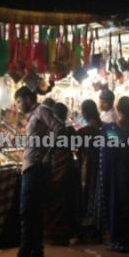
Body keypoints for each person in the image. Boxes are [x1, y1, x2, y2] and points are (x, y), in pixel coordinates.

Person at [4, 86, 64, 257]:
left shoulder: (42, 110)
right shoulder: (34, 115)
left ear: (28, 99)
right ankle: (37, 250)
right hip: (32, 166)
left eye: (20, 101)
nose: (18, 106)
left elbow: (60, 128)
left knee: (27, 212)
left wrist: (48, 153)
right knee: (35, 212)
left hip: (35, 168)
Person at [93, 97, 129, 253]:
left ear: (118, 108)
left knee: (118, 205)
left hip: (117, 172)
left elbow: (113, 148)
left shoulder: (110, 128)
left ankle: (119, 241)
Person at [43, 102, 79, 246]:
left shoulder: (51, 132)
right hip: (65, 168)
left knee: (53, 203)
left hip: (57, 168)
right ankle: (60, 235)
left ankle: (54, 235)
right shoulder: (68, 130)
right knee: (61, 204)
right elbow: (75, 148)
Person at [75, 99, 102, 243]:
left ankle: (85, 231)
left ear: (85, 113)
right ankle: (96, 231)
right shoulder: (103, 128)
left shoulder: (83, 132)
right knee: (97, 197)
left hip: (86, 169)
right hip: (101, 169)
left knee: (85, 198)